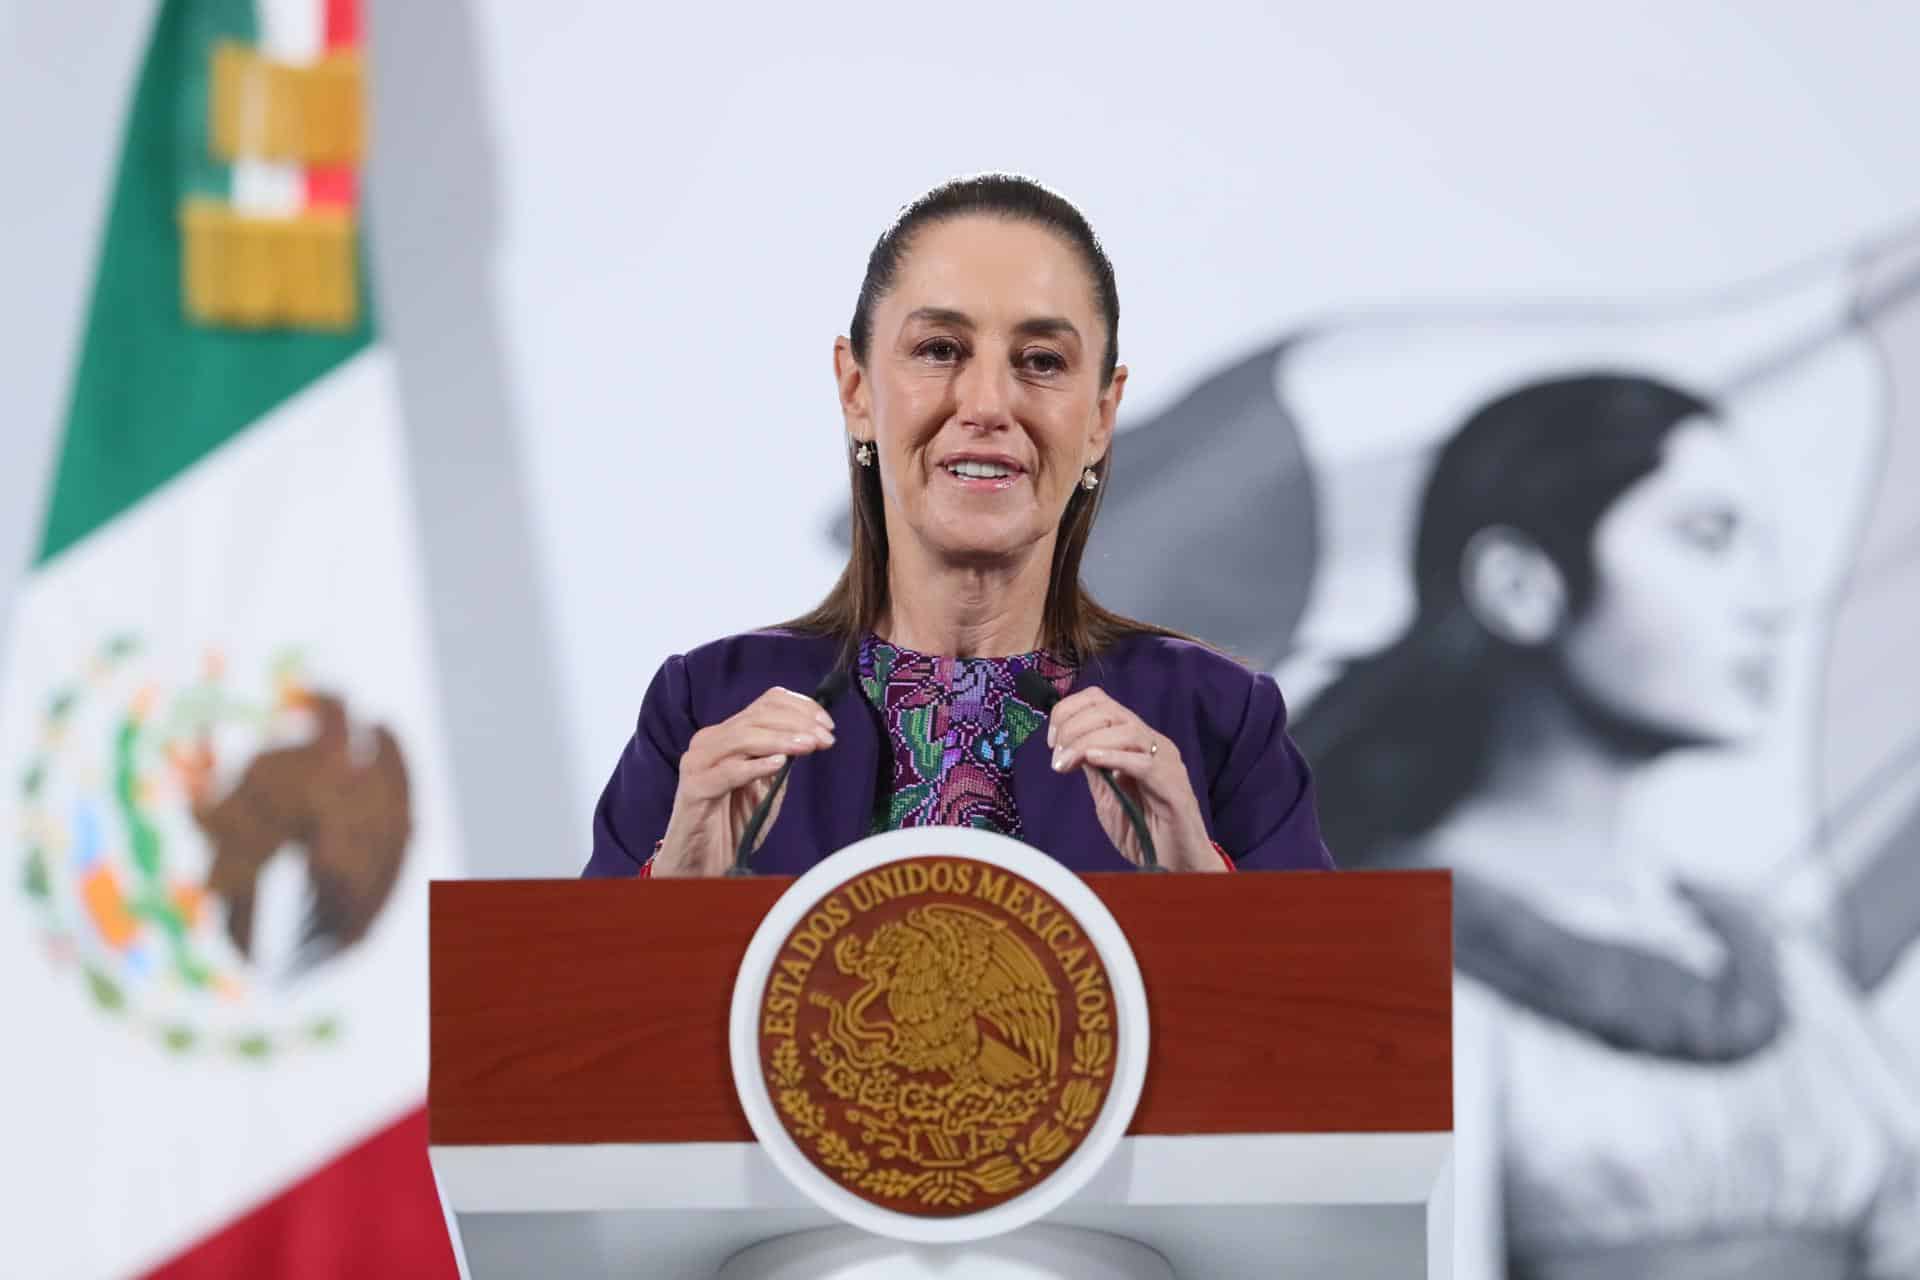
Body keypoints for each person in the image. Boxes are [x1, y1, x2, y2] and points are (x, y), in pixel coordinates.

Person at [1296, 373, 1920, 1278]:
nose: (1765, 602)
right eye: (1708, 540)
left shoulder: (1772, 959)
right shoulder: (1373, 961)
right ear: (1520, 584)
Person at [582, 174, 1332, 880]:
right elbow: (572, 1013)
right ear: (856, 389)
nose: (987, 404)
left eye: (1041, 360)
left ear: (1102, 415)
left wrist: (1201, 885)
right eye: (939, 351)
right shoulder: (705, 706)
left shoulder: (1218, 718)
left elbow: (1334, 1012)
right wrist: (674, 890)